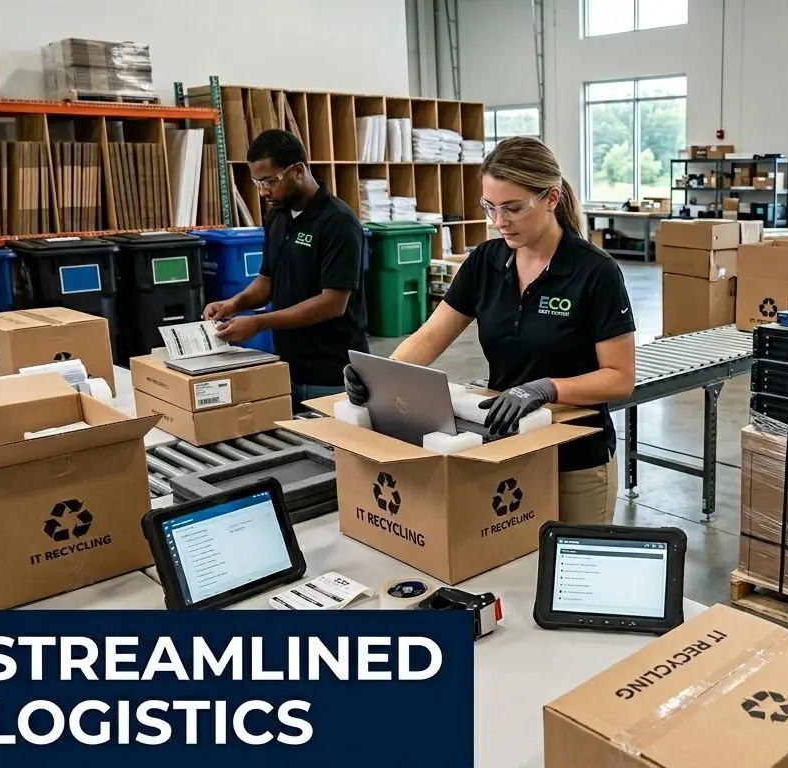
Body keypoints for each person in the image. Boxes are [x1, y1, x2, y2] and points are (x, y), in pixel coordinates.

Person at [344, 137, 635, 526]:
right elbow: (431, 337)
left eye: (513, 208)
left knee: (572, 575)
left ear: (551, 198)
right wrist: (380, 376)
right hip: (506, 448)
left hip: (576, 458)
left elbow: (620, 378)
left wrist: (546, 388)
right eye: (490, 207)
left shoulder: (594, 272)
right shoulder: (485, 261)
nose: (499, 222)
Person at [202, 129, 370, 406]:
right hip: (286, 365)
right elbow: (268, 279)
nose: (264, 191)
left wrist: (258, 322)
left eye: (270, 181)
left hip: (330, 375)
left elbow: (333, 303)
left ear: (299, 170)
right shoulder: (277, 216)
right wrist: (233, 303)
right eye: (258, 183)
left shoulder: (338, 223)